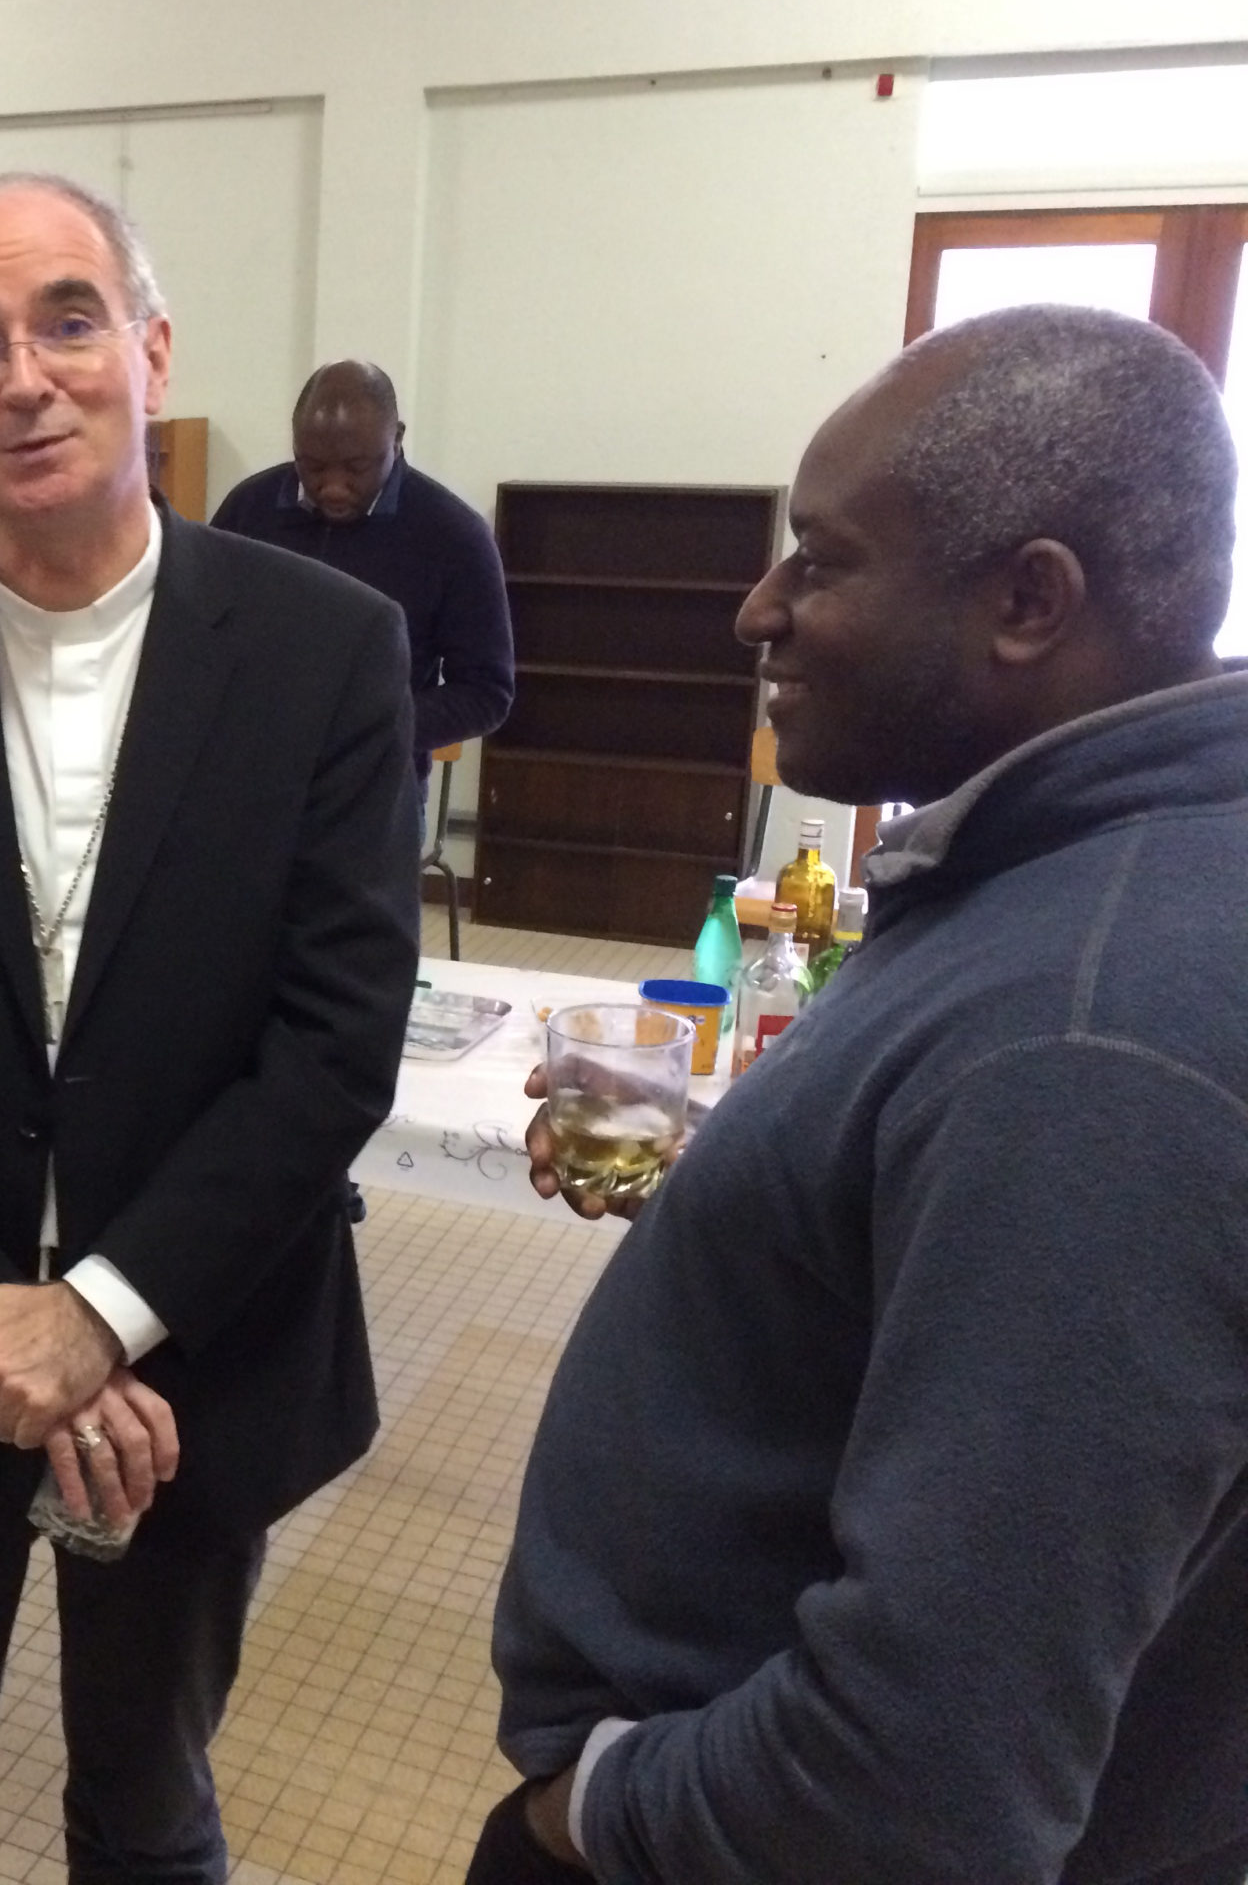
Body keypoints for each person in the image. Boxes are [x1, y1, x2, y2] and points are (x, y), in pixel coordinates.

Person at [473, 305, 1248, 1885]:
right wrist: (732, 1180)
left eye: (819, 561)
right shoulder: (1089, 884)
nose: (756, 609)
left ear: (1028, 600)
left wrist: (596, 1806)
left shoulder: (1086, 1044)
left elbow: (923, 1789)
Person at [0, 172, 420, 1884]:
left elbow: (337, 1034)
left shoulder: (326, 653)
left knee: (151, 1808)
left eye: (66, 319)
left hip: (197, 1352)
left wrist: (102, 1318)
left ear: (153, 350)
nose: (22, 376)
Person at [210, 358, 515, 789]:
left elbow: (487, 692)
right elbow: (203, 635)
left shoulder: (453, 536)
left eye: (357, 467)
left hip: (377, 788)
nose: (333, 486)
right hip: (253, 778)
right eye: (312, 466)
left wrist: (368, 729)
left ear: (398, 440)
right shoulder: (249, 509)